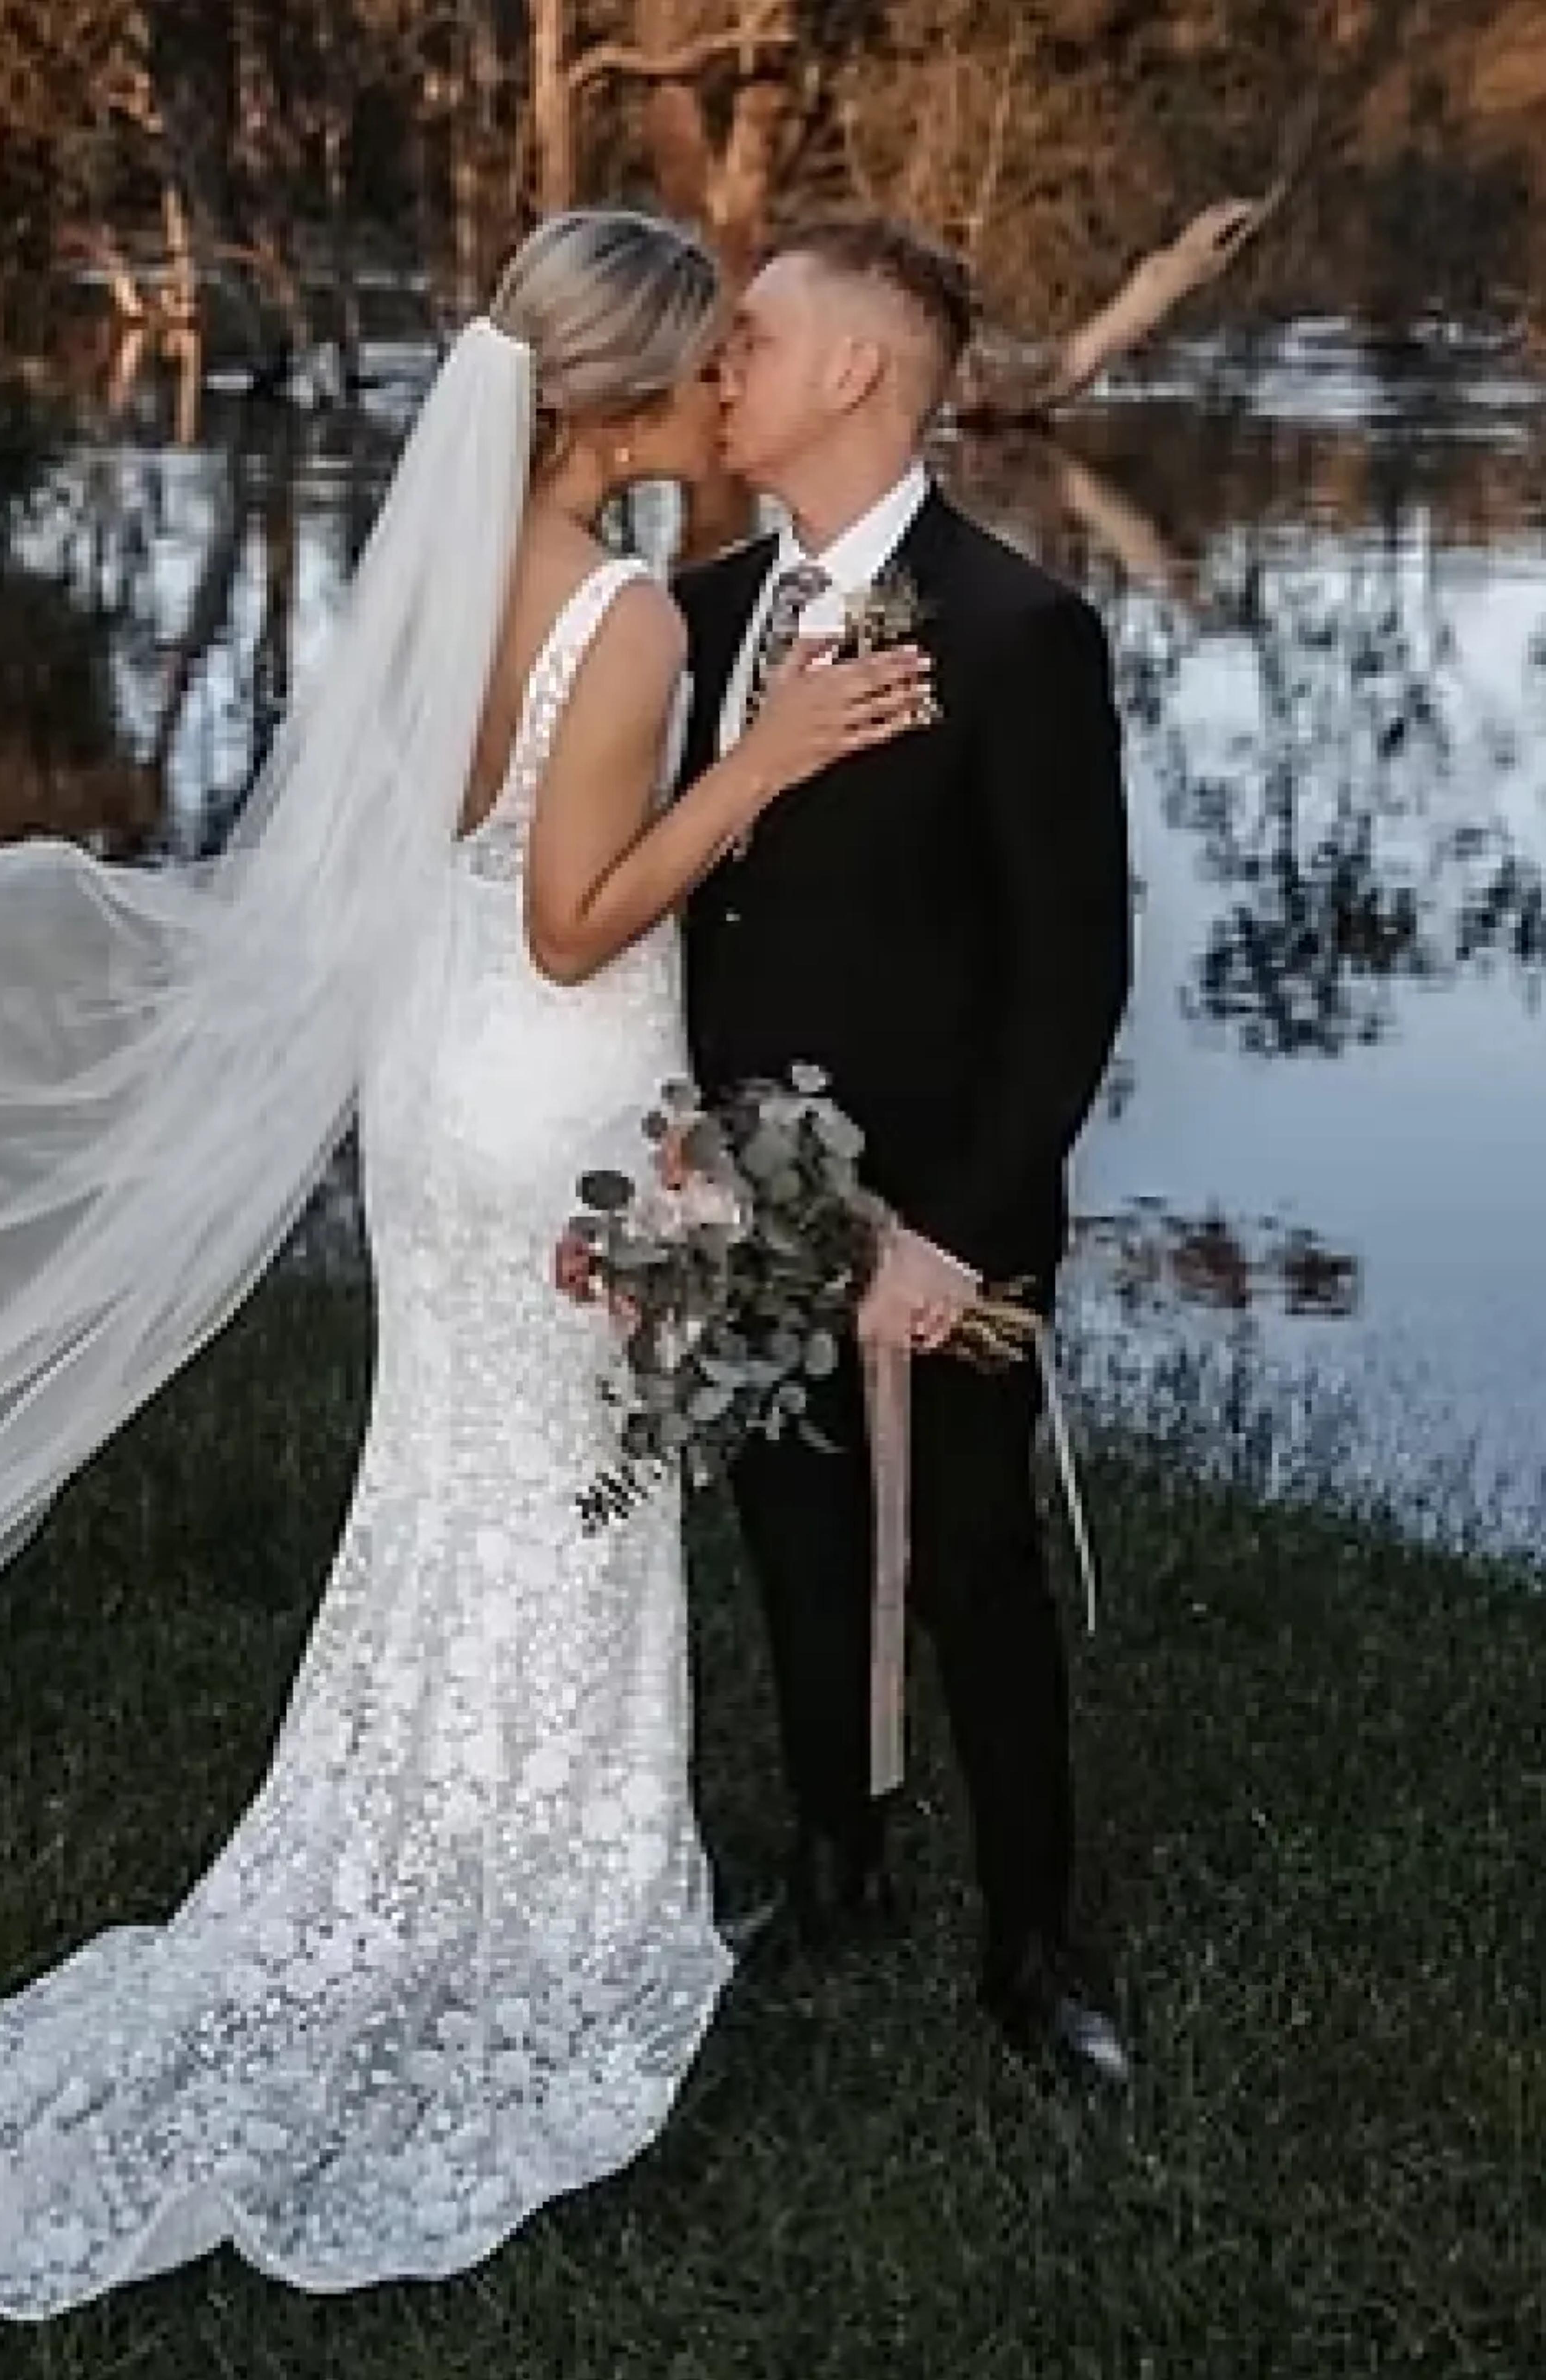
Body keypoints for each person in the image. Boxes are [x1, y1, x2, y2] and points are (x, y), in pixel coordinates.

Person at [0, 211, 931, 2319]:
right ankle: (554, 1902)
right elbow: (579, 920)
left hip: (433, 1092)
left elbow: (454, 865)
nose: (725, 398)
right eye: (702, 366)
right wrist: (767, 766)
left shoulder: (446, 579)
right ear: (627, 399)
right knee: (558, 1511)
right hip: (559, 1092)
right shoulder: (638, 626)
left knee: (451, 1478)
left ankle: (413, 1842)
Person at [675, 218, 1134, 2084]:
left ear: (858, 370)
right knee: (790, 1536)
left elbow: (1072, 973)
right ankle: (834, 1862)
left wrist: (958, 1229)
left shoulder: (1021, 632)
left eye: (757, 337)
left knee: (969, 1562)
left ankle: (1035, 1950)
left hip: (943, 1216)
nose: (724, 364)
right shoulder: (699, 618)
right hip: (739, 1203)